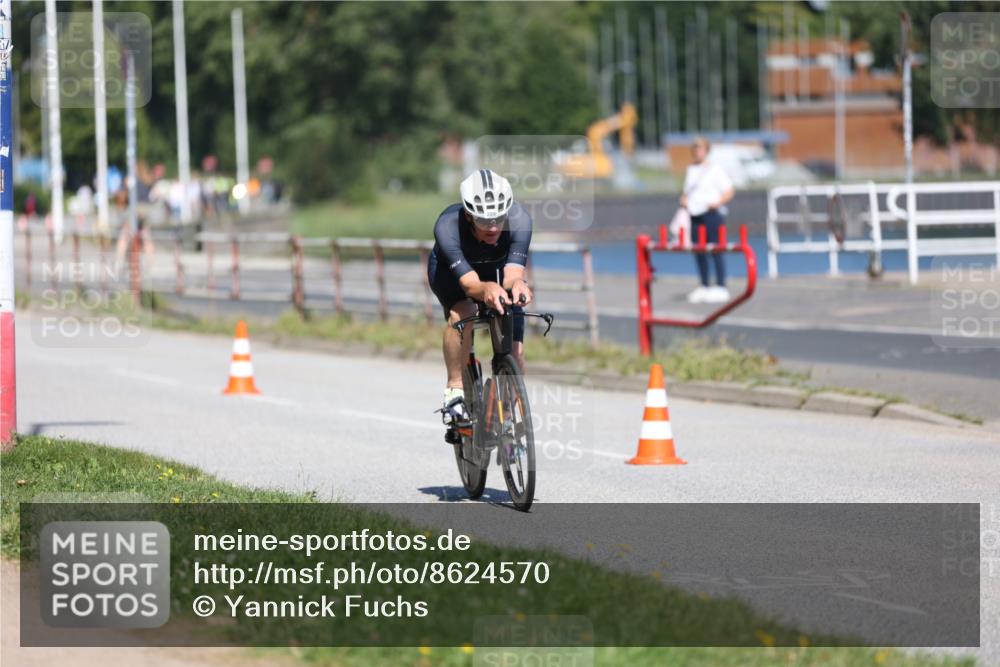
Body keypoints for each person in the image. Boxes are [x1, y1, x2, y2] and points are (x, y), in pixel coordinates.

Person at [427, 169, 533, 439]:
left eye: (499, 218)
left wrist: (518, 284)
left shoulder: (520, 220)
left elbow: (512, 275)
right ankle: (455, 390)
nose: (494, 227)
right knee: (463, 312)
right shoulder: (447, 226)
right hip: (454, 276)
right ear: (468, 215)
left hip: (496, 271)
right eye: (484, 220)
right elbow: (470, 285)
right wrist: (487, 288)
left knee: (516, 353)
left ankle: (505, 416)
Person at [679, 136, 735, 304]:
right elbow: (687, 191)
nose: (698, 151)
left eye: (701, 148)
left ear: (707, 150)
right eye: (695, 148)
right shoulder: (691, 170)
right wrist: (684, 200)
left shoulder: (715, 169)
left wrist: (716, 203)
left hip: (711, 214)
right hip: (695, 213)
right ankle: (704, 284)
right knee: (699, 250)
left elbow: (729, 190)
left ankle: (721, 285)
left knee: (716, 249)